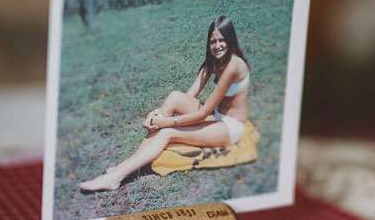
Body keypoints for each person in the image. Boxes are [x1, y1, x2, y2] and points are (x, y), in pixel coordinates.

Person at [79, 14, 251, 192]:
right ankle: (125, 165)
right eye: (213, 41)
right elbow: (188, 96)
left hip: (230, 128)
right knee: (174, 97)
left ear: (230, 39)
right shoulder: (214, 62)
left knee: (167, 132)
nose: (217, 46)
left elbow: (203, 112)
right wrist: (157, 114)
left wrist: (167, 122)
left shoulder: (234, 66)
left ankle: (115, 177)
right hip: (217, 117)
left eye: (222, 40)